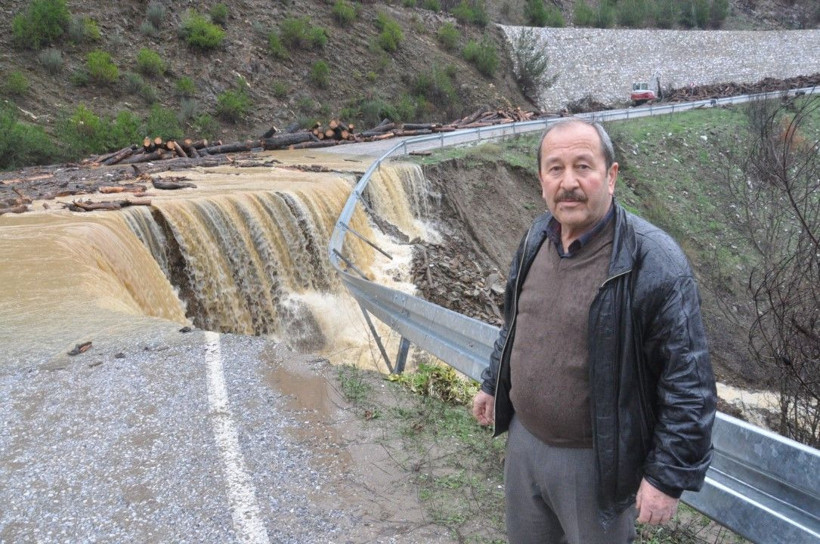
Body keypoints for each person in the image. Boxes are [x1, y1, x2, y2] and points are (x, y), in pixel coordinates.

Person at [472, 118, 716, 544]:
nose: (569, 182)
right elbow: (516, 322)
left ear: (611, 176)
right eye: (555, 169)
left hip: (597, 464)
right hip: (524, 445)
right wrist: (493, 383)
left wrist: (666, 477)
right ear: (541, 179)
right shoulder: (535, 237)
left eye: (583, 166)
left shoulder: (653, 260)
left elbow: (688, 382)